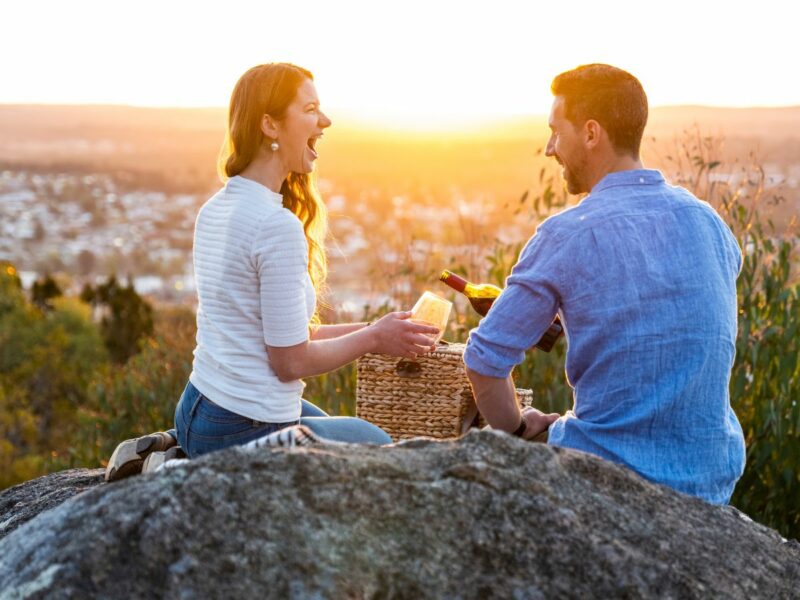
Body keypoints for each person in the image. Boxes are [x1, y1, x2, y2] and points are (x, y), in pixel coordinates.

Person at [105, 63, 439, 481]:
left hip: (199, 405)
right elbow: (291, 361)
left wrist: (377, 330)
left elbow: (285, 336)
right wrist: (373, 338)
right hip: (239, 427)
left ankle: (176, 447)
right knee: (376, 443)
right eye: (311, 109)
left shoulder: (216, 209)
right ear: (270, 125)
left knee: (325, 419)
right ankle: (194, 464)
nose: (326, 121)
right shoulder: (275, 225)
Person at [463, 64, 745, 505]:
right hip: (710, 480)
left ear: (591, 133)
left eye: (556, 132)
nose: (549, 148)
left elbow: (483, 359)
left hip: (606, 475)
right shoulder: (710, 223)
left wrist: (519, 429)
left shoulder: (568, 234)